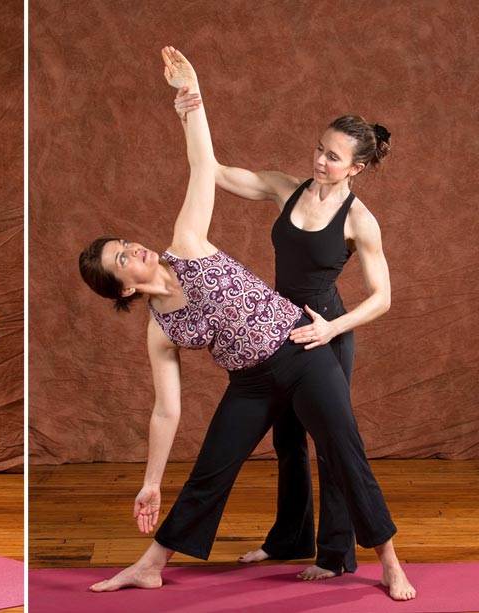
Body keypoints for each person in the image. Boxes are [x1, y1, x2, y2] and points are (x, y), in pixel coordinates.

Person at [77, 48, 415, 601]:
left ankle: (389, 562)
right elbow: (166, 409)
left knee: (341, 451)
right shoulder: (161, 329)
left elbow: (198, 166)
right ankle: (151, 562)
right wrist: (150, 481)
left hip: (305, 348)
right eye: (122, 258)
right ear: (125, 289)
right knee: (214, 466)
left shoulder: (186, 244)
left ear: (355, 166)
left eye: (124, 244)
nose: (133, 247)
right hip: (252, 380)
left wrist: (192, 100)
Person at [172, 89, 392, 580]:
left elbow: (382, 297)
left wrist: (332, 327)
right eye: (319, 148)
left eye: (333, 158)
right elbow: (210, 168)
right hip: (279, 328)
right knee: (287, 439)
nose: (319, 160)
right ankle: (290, 536)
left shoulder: (359, 220)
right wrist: (193, 106)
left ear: (355, 168)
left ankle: (335, 556)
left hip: (326, 334)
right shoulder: (284, 187)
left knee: (332, 443)